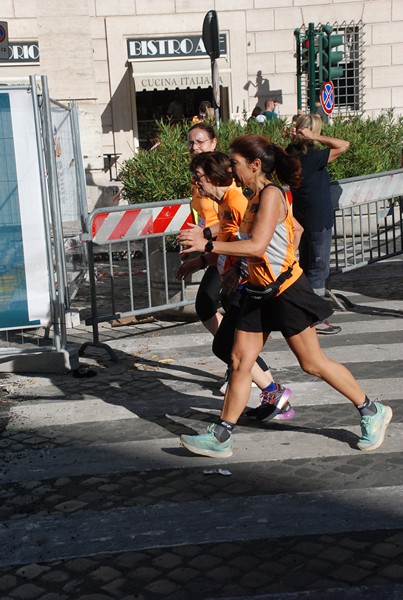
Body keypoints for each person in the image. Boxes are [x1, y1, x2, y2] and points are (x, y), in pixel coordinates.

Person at [177, 134, 392, 458]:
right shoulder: (250, 197)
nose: (231, 169)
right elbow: (264, 242)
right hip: (257, 291)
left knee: (312, 363)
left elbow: (257, 246)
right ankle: (222, 435)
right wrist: (237, 269)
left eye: (235, 163)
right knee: (239, 361)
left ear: (255, 165)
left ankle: (371, 409)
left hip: (286, 291)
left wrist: (207, 245)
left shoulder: (272, 196)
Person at [178, 150, 294, 419]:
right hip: (237, 280)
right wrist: (202, 261)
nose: (196, 184)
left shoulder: (238, 200)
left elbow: (254, 243)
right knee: (228, 347)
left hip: (249, 283)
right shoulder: (224, 202)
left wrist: (237, 270)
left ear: (214, 175)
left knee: (309, 361)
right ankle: (273, 395)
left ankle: (269, 397)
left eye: (198, 177)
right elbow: (230, 243)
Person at [286, 113, 349, 334]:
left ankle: (305, 312)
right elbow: (344, 145)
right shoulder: (312, 157)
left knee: (307, 267)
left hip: (304, 217)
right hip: (317, 218)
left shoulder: (292, 153)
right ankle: (315, 318)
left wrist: (297, 138)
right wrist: (316, 138)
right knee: (317, 270)